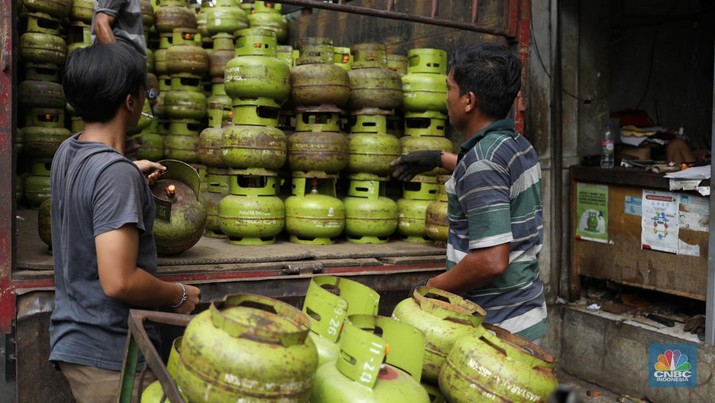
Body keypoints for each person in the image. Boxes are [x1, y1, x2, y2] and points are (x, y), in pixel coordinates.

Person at [49, 43, 201, 403]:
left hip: (75, 341)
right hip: (110, 355)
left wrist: (128, 172)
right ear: (130, 102)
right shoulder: (115, 176)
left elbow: (88, 185)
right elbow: (118, 281)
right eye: (143, 92)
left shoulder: (67, 151)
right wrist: (178, 294)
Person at [391, 43, 547, 343]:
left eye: (450, 88)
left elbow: (490, 261)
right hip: (525, 314)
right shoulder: (516, 145)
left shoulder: (483, 162)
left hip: (496, 331)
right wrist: (439, 159)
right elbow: (495, 177)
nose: (446, 97)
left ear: (468, 100)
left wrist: (430, 289)